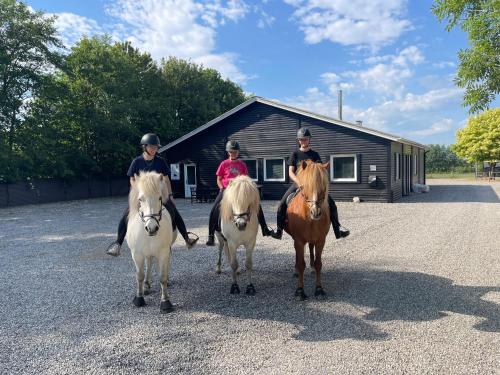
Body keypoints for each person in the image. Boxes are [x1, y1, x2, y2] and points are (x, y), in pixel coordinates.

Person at [106, 133, 199, 256]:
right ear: (144, 147)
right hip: (142, 195)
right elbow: (132, 179)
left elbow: (166, 179)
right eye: (151, 147)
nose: (154, 149)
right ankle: (118, 244)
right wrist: (138, 190)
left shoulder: (160, 162)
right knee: (126, 215)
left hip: (157, 195)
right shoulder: (137, 162)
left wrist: (170, 196)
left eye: (156, 147)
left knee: (174, 212)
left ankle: (187, 238)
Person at [272, 127, 350, 240]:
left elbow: (320, 171)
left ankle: (338, 230)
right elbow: (290, 172)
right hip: (298, 184)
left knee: (332, 204)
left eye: (305, 139)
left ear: (309, 140)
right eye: (301, 139)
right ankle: (279, 231)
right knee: (282, 205)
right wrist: (300, 182)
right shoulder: (295, 154)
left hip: (313, 186)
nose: (303, 141)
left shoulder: (315, 155)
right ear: (298, 140)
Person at [205, 140, 276, 246]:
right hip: (227, 190)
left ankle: (264, 228)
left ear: (238, 152)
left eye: (235, 151)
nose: (233, 153)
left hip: (240, 192)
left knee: (257, 206)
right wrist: (221, 188)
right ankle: (211, 235)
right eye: (231, 151)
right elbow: (219, 179)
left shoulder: (242, 164)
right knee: (214, 208)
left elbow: (246, 179)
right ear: (228, 152)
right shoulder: (223, 164)